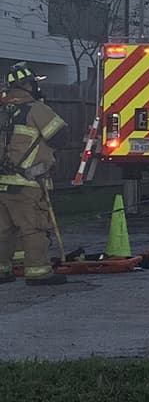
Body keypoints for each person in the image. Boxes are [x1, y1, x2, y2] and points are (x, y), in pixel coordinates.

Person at [0, 63, 68, 286]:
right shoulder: (37, 109)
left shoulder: (2, 111)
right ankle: (38, 272)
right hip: (27, 183)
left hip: (2, 183)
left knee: (3, 229)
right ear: (28, 85)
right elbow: (60, 137)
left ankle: (3, 270)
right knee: (33, 229)